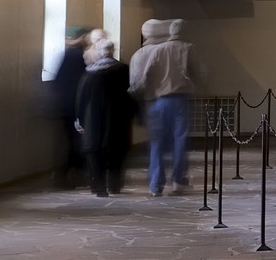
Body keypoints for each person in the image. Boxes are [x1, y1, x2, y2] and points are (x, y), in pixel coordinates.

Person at [129, 18, 199, 197]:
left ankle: (155, 184)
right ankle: (178, 179)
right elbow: (197, 72)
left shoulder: (150, 52)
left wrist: (136, 94)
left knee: (157, 143)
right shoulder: (186, 48)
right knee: (180, 140)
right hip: (177, 99)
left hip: (156, 102)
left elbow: (143, 77)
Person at [75, 37, 135, 196]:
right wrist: (133, 113)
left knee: (95, 152)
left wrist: (80, 118)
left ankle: (99, 186)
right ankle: (114, 185)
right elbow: (131, 93)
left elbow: (82, 98)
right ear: (112, 51)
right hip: (117, 118)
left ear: (99, 53)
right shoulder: (123, 70)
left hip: (93, 118)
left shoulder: (90, 73)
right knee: (116, 151)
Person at [48, 26, 92, 189]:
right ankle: (66, 174)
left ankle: (67, 175)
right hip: (73, 107)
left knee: (72, 141)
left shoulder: (69, 55)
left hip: (67, 106)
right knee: (75, 142)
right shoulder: (77, 56)